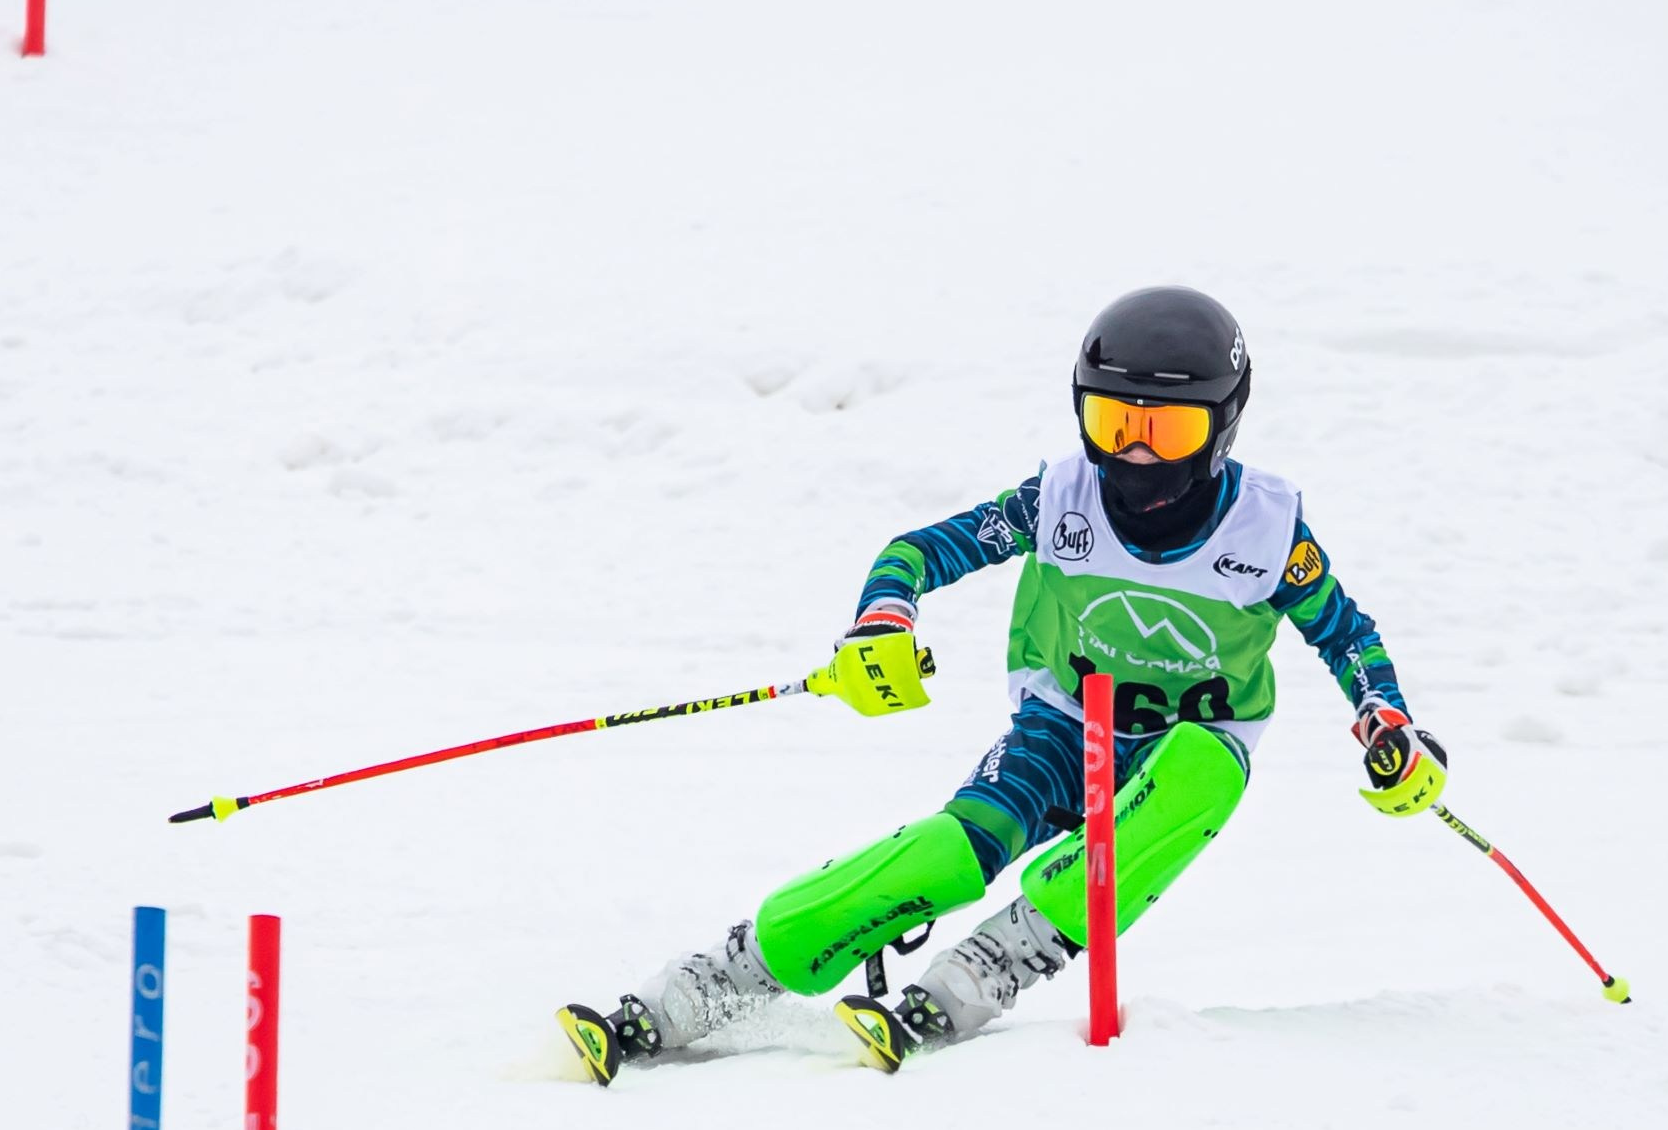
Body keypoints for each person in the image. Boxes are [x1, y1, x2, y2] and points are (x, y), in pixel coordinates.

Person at [557, 285, 1447, 1081]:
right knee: (952, 851)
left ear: (1223, 425)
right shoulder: (1061, 500)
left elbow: (1348, 635)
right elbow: (920, 550)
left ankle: (994, 963)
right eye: (1112, 423)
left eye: (1164, 428)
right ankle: (716, 980)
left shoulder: (1267, 532)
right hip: (1063, 726)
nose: (1135, 454)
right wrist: (885, 616)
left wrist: (1386, 720)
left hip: (1196, 737)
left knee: (1197, 777)